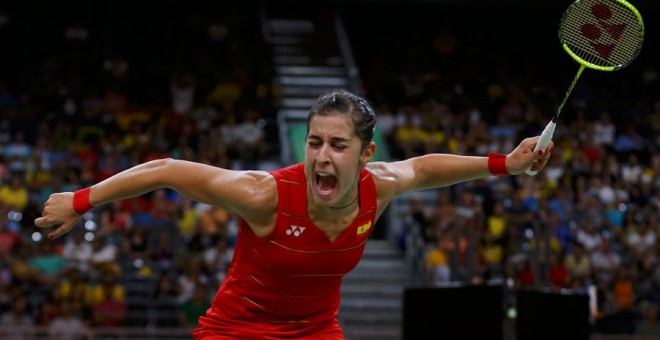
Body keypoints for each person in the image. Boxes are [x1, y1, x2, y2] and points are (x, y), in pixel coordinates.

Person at [35, 90, 553, 339]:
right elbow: (167, 169)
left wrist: (505, 164)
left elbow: (424, 168)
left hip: (315, 331)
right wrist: (80, 201)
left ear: (366, 153)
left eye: (339, 145)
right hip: (236, 331)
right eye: (314, 142)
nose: (322, 157)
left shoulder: (380, 187)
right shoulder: (265, 195)